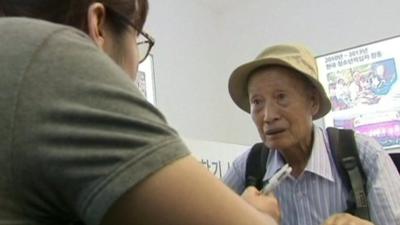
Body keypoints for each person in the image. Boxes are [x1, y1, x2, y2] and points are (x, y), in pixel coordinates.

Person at [0, 1, 280, 225]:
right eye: (138, 37)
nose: (269, 115)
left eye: (282, 98)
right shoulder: (56, 58)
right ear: (97, 24)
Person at [223, 44, 400, 225]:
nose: (268, 116)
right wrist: (239, 217)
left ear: (313, 102)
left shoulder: (365, 156)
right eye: (257, 102)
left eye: (281, 97)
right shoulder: (247, 168)